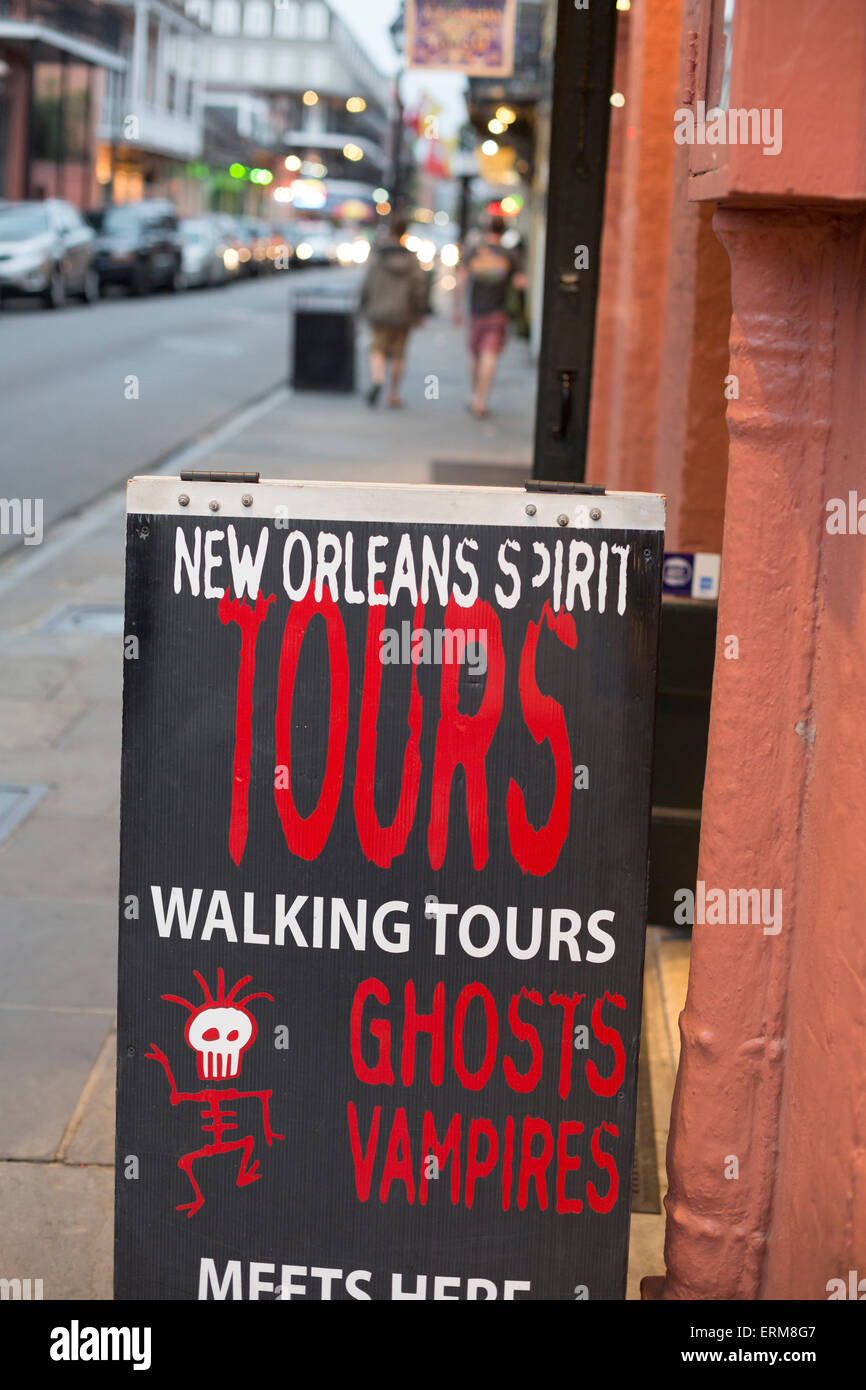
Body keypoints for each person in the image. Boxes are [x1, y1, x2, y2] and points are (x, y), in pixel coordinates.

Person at [455, 214, 526, 418]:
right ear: (503, 231)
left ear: (486, 230)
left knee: (476, 354)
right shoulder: (510, 255)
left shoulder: (475, 251)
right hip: (499, 311)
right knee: (490, 354)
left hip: (477, 310)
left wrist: (457, 309)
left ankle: (474, 394)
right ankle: (481, 400)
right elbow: (520, 283)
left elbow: (460, 282)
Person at [359, 217, 428, 408]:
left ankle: (378, 378)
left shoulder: (379, 255)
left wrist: (363, 305)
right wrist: (420, 311)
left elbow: (367, 282)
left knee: (377, 349)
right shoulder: (411, 258)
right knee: (399, 354)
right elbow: (420, 287)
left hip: (379, 310)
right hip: (403, 312)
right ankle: (393, 394)